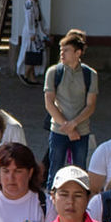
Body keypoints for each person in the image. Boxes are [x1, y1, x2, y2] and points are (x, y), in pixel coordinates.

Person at [43, 30, 97, 179]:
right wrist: (67, 127)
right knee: (54, 173)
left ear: (78, 53)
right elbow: (49, 103)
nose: (62, 53)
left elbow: (91, 105)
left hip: (82, 130)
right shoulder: (53, 72)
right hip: (59, 130)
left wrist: (74, 124)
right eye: (61, 50)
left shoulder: (90, 74)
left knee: (80, 173)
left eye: (66, 50)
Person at [14, 0, 47, 85]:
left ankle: (32, 76)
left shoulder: (36, 3)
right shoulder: (29, 3)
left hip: (36, 32)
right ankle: (25, 73)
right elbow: (29, 19)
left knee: (35, 52)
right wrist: (32, 32)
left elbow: (40, 20)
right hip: (30, 33)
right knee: (31, 53)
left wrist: (43, 32)